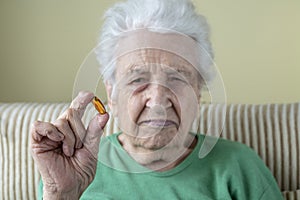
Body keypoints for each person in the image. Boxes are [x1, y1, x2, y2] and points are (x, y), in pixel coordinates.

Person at [31, 0, 283, 199]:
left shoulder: (239, 166)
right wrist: (61, 196)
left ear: (197, 92)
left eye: (177, 78)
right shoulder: (71, 167)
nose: (158, 101)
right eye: (137, 79)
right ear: (112, 95)